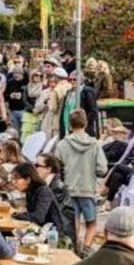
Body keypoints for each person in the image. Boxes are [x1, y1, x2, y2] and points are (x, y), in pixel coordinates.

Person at [57, 109, 107, 255]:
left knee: (74, 221)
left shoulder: (62, 144)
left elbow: (57, 166)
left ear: (70, 124)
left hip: (69, 188)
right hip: (88, 188)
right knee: (91, 223)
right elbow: (102, 169)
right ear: (86, 123)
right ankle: (86, 249)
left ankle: (74, 247)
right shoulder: (94, 144)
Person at [11, 162, 66, 236]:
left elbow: (39, 217)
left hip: (52, 235)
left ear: (28, 180)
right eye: (13, 179)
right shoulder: (30, 191)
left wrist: (17, 215)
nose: (14, 183)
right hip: (39, 230)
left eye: (16, 180)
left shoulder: (44, 191)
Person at [4, 67, 28, 132]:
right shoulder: (10, 82)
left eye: (18, 73)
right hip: (13, 110)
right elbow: (4, 96)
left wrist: (22, 95)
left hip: (24, 110)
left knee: (24, 130)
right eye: (14, 73)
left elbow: (30, 96)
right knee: (15, 130)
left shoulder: (26, 82)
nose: (16, 75)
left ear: (22, 74)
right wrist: (10, 96)